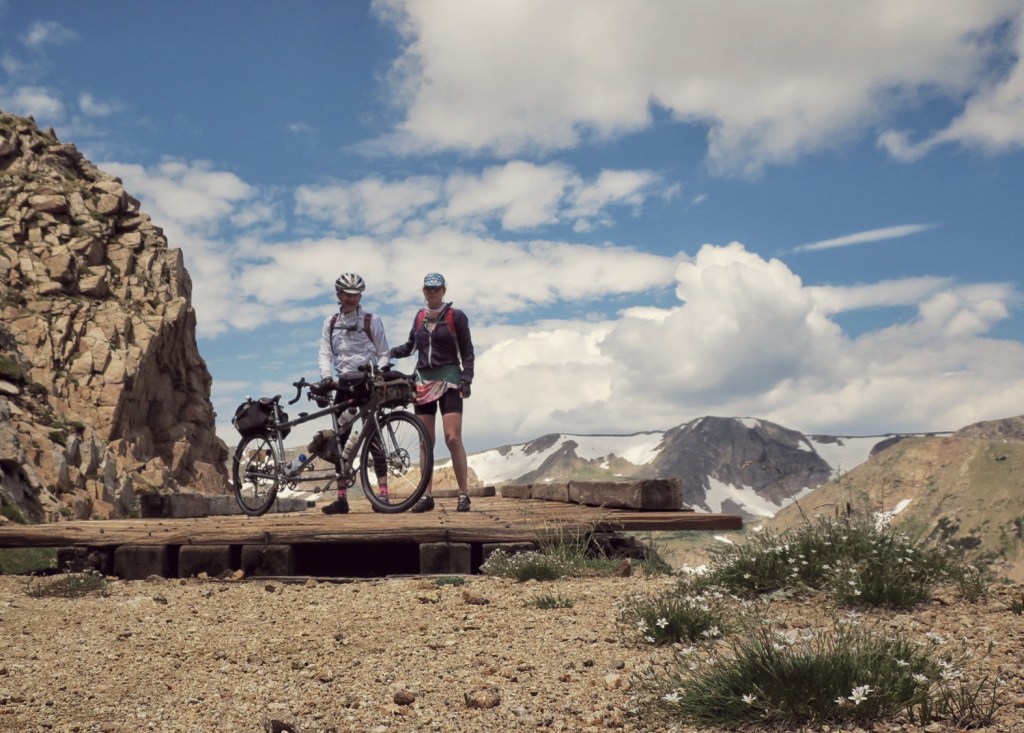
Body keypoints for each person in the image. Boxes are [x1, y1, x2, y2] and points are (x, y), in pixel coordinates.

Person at [390, 272, 475, 512]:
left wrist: (467, 378)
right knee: (425, 440)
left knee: (453, 437)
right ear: (423, 291)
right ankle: (426, 496)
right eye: (428, 289)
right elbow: (410, 346)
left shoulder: (456, 316)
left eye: (436, 289)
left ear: (444, 291)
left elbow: (467, 351)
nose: (432, 292)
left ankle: (463, 494)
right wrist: (388, 353)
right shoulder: (419, 318)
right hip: (423, 381)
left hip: (449, 379)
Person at [318, 272, 391, 515]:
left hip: (367, 383)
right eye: (347, 295)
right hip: (342, 385)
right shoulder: (330, 322)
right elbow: (326, 353)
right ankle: (342, 499)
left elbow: (383, 352)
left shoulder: (372, 320)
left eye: (355, 295)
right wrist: (326, 376)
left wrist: (379, 371)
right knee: (340, 438)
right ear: (339, 295)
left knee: (375, 439)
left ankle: (383, 496)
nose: (351, 299)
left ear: (361, 295)